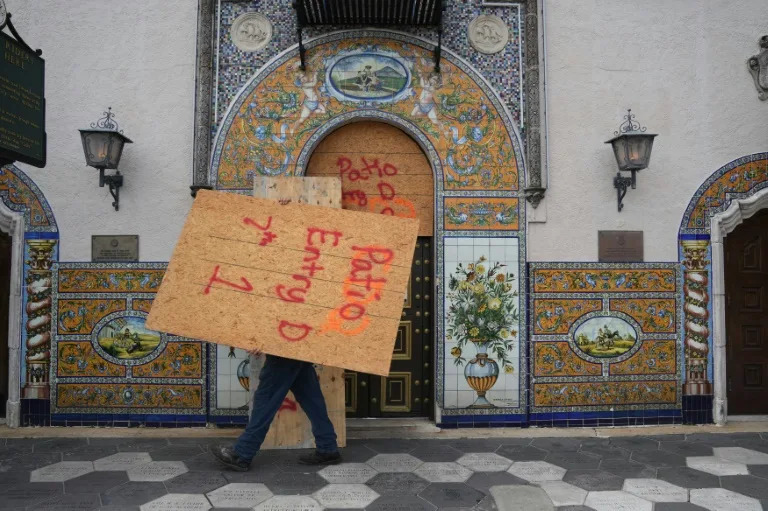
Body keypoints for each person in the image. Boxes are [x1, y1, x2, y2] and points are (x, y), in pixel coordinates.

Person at [211, 349, 341, 471]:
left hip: (284, 351)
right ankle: (327, 447)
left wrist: (261, 341)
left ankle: (242, 453)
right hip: (298, 346)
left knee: (266, 399)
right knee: (311, 399)